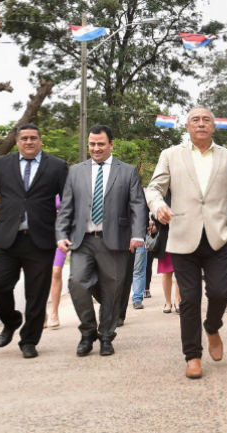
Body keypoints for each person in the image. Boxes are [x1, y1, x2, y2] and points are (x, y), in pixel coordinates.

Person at [146, 106, 227, 380]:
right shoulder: (170, 155)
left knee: (220, 293)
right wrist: (157, 206)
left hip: (218, 238)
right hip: (182, 237)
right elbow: (154, 188)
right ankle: (193, 355)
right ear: (187, 127)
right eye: (195, 120)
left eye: (206, 120)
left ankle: (212, 327)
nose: (201, 124)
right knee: (189, 299)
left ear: (214, 127)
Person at [0, 123, 69, 358]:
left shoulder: (57, 166)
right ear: (17, 141)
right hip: (7, 240)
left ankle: (29, 341)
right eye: (24, 138)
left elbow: (68, 203)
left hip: (40, 240)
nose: (29, 142)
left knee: (37, 294)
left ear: (40, 140)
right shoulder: (2, 164)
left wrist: (65, 233)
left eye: (33, 138)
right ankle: (11, 321)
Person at [55, 125, 147, 357]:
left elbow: (137, 204)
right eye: (92, 144)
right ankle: (88, 331)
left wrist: (138, 234)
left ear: (111, 145)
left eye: (101, 144)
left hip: (116, 241)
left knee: (113, 290)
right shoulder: (75, 171)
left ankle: (106, 336)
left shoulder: (126, 171)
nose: (96, 148)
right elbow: (66, 206)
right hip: (82, 240)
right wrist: (61, 234)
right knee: (77, 282)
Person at [46, 195, 66, 330]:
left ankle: (54, 312)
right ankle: (41, 313)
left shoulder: (64, 187)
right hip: (42, 234)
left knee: (56, 271)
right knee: (40, 274)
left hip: (61, 235)